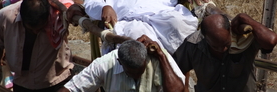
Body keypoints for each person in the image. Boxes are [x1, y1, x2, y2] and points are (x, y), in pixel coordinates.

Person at [0, 0, 74, 92]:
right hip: (22, 83)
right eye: (31, 29)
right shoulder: (6, 16)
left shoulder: (57, 17)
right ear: (22, 18)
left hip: (56, 82)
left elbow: (76, 9)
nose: (36, 32)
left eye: (40, 28)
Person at [173, 13, 277, 92]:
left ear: (230, 31)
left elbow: (271, 40)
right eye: (215, 46)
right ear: (204, 37)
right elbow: (176, 71)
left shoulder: (243, 39)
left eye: (226, 44)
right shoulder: (193, 44)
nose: (222, 49)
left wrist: (244, 18)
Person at [57, 35, 185, 92]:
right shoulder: (105, 64)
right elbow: (73, 88)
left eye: (141, 71)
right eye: (132, 73)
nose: (137, 77)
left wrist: (162, 56)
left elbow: (177, 90)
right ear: (120, 63)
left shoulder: (157, 57)